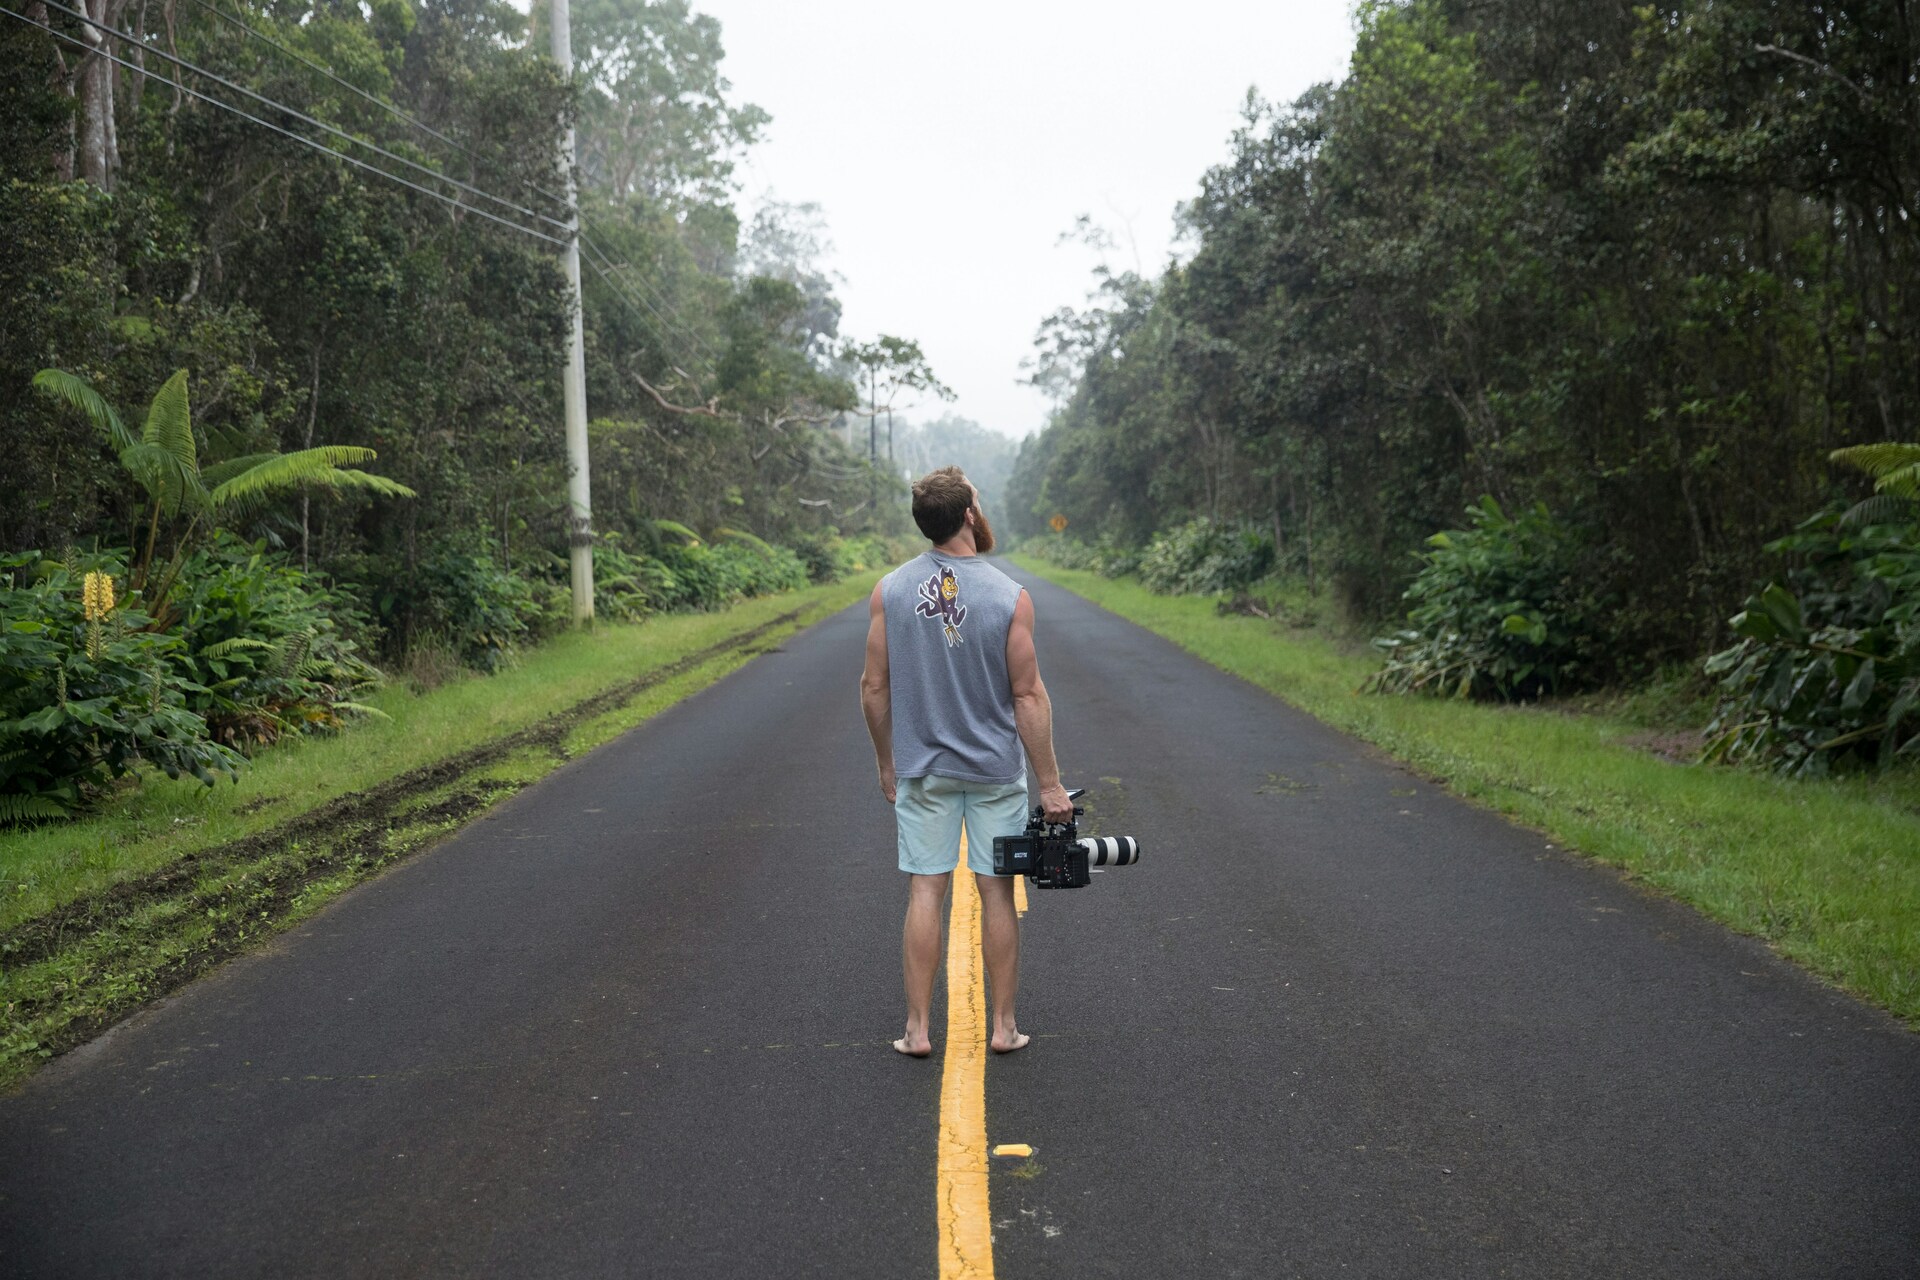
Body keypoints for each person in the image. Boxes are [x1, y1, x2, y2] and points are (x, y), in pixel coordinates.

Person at [859, 466, 1073, 1058]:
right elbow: (1027, 695)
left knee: (926, 891)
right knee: (995, 892)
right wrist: (1050, 785)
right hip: (993, 773)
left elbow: (873, 687)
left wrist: (886, 763)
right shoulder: (1010, 596)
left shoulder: (890, 591)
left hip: (923, 771)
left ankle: (917, 1031)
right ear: (970, 516)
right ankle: (1003, 1029)